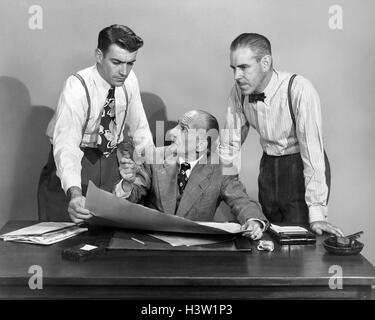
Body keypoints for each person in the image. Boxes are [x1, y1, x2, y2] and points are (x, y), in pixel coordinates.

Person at [219, 33, 343, 237]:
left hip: (299, 166)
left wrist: (317, 213)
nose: (236, 76)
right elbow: (229, 146)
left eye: (243, 67)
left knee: (298, 238)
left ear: (265, 62)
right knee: (269, 234)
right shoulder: (238, 92)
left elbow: (312, 153)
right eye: (233, 68)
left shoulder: (299, 89)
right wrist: (216, 185)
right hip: (268, 166)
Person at [38, 24, 154, 223]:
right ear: (99, 56)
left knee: (107, 239)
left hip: (109, 163)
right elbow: (66, 145)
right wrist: (74, 194)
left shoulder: (129, 80)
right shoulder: (76, 87)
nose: (124, 71)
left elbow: (141, 131)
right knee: (64, 238)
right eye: (116, 62)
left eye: (130, 63)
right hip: (72, 165)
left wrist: (155, 175)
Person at [114, 110, 268, 240]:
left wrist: (254, 221)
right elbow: (131, 199)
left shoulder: (221, 169)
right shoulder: (154, 157)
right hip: (151, 242)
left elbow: (242, 201)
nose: (171, 133)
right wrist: (127, 184)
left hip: (196, 249)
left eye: (183, 129)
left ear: (201, 145)